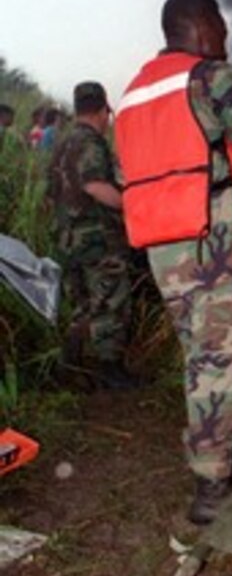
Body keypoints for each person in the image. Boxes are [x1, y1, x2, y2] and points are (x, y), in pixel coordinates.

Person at [114, 0, 232, 525]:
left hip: (165, 247)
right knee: (227, 356)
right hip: (219, 238)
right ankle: (211, 483)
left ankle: (219, 448)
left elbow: (126, 177)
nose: (226, 38)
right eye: (221, 26)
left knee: (200, 352)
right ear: (201, 24)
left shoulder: (134, 94)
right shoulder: (211, 77)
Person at [47, 82, 135, 389]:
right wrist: (131, 205)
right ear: (103, 111)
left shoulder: (62, 143)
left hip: (67, 238)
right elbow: (95, 185)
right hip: (96, 239)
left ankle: (69, 367)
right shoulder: (90, 142)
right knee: (110, 301)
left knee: (83, 304)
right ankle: (109, 370)